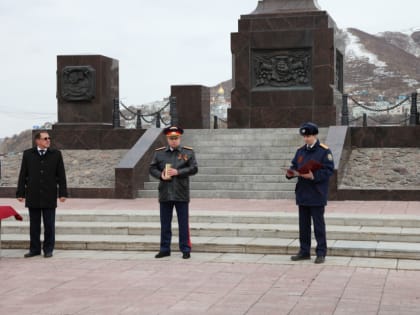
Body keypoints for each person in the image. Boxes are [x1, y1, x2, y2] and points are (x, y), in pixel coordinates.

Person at [286, 122, 334, 264]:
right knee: (304, 225)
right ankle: (304, 251)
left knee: (318, 225)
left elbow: (328, 170)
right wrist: (290, 173)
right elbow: (295, 165)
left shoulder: (324, 151)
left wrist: (314, 176)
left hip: (317, 193)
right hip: (303, 193)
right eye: (304, 136)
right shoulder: (301, 151)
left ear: (315, 135)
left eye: (308, 136)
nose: (306, 139)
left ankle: (321, 253)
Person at [16, 131, 68, 258]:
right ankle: (34, 249)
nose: (48, 140)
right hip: (33, 194)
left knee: (49, 224)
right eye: (45, 138)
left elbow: (61, 175)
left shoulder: (56, 154)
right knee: (34, 225)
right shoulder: (28, 154)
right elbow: (23, 174)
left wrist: (62, 193)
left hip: (49, 195)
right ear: (37, 141)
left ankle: (48, 249)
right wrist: (20, 193)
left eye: (49, 138)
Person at [149, 126, 198, 259]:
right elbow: (152, 168)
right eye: (171, 138)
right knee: (165, 223)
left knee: (183, 223)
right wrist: (160, 175)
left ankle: (185, 249)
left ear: (179, 138)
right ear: (167, 139)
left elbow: (194, 168)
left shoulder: (188, 152)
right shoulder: (159, 153)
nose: (174, 141)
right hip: (165, 192)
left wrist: (178, 172)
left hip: (181, 192)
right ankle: (165, 249)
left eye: (176, 138)